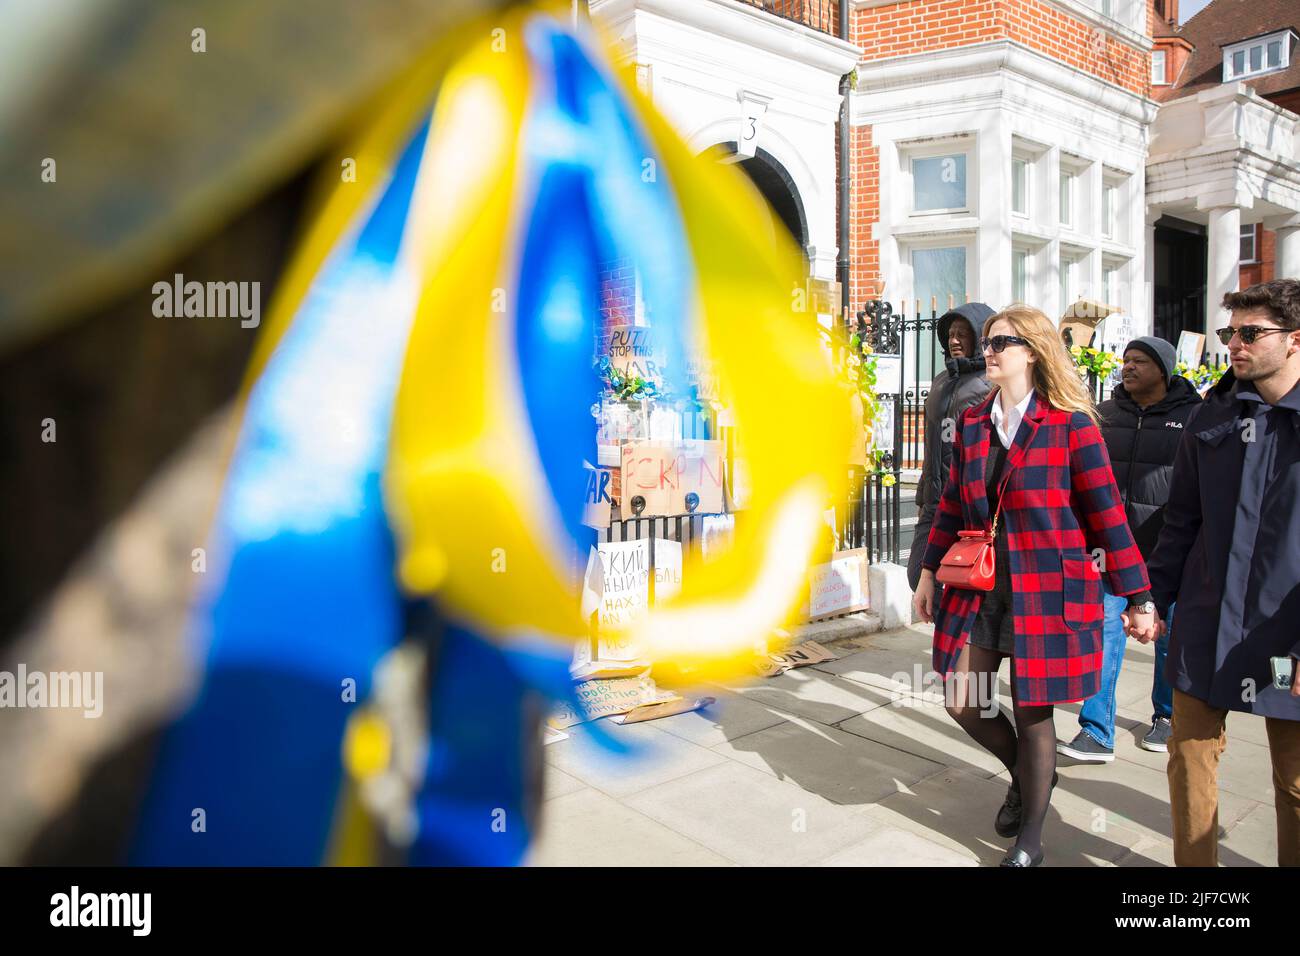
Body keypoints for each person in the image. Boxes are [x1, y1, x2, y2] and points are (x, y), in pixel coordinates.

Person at [912, 304, 1154, 867]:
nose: (988, 352)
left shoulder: (1071, 425)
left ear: (1033, 352)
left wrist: (1138, 596)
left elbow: (1107, 517)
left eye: (1001, 343)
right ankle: (1026, 775)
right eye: (988, 344)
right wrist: (927, 572)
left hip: (1047, 587)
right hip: (981, 585)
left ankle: (1031, 841)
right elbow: (950, 505)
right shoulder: (973, 421)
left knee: (1033, 712)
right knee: (962, 699)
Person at [1139, 279, 1300, 867]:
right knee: (1190, 761)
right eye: (1232, 332)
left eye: (1252, 333)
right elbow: (1180, 519)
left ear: (1295, 340)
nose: (1235, 344)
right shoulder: (1214, 417)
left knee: (1294, 783)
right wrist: (1152, 597)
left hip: (1287, 637)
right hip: (1207, 623)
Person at [1057, 337, 1201, 763]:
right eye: (1126, 360)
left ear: (1164, 368)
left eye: (1140, 361)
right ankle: (1096, 731)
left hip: (1169, 552)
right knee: (1104, 630)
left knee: (1168, 637)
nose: (1129, 367)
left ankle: (1167, 717)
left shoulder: (1192, 416)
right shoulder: (1103, 414)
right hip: (1114, 551)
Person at [907, 303, 994, 592]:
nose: (954, 340)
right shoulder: (940, 381)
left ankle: (958, 637)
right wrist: (923, 495)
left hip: (967, 503)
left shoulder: (991, 383)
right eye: (951, 334)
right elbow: (932, 441)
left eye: (962, 334)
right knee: (917, 574)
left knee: (962, 579)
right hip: (934, 500)